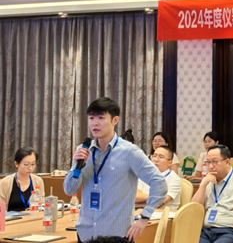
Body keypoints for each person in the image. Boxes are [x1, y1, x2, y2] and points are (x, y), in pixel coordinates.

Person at [63, 97, 167, 242]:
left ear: (115, 120)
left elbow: (159, 182)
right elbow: (69, 190)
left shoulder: (130, 152)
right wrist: (77, 165)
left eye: (101, 118)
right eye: (91, 118)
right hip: (86, 233)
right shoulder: (83, 150)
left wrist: (145, 217)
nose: (95, 123)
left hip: (117, 235)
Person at [136, 145, 181, 210]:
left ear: (170, 163)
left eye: (161, 157)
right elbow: (134, 197)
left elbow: (158, 203)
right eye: (154, 156)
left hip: (162, 214)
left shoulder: (173, 179)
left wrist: (139, 201)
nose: (156, 160)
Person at [0, 147, 45, 211]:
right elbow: (1, 209)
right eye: (26, 164)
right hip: (11, 217)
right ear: (16, 164)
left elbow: (42, 205)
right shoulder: (5, 182)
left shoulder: (38, 181)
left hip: (33, 216)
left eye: (33, 164)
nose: (30, 168)